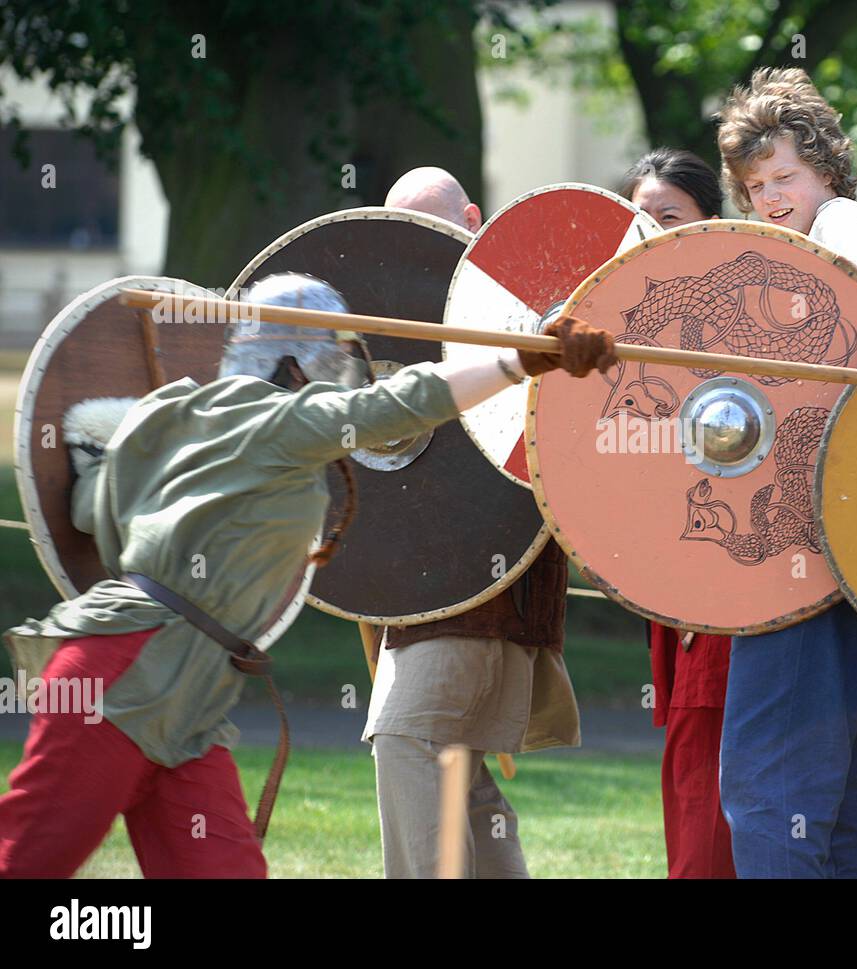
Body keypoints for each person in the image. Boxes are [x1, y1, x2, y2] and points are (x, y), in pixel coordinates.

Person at [0, 272, 615, 878]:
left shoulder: (168, 411)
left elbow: (89, 508)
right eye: (331, 359)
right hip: (123, 677)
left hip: (188, 695)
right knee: (29, 859)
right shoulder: (283, 423)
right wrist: (524, 359)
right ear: (296, 363)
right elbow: (402, 403)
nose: (336, 377)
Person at [713, 67, 857, 878]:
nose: (768, 196)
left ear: (827, 168)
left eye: (784, 175)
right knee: (827, 794)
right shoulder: (818, 237)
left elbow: (855, 367)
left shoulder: (846, 231)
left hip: (813, 539)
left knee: (766, 784)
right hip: (839, 540)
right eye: (755, 183)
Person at [362, 167, 581, 879]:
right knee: (461, 773)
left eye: (428, 223)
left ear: (473, 216)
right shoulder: (392, 319)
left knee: (406, 737)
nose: (414, 244)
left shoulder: (520, 311)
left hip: (487, 590)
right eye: (400, 230)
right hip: (426, 594)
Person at [619, 148, 735, 879]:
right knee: (692, 767)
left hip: (729, 574)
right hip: (673, 582)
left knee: (710, 768)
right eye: (638, 218)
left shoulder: (733, 317)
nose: (651, 232)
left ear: (709, 223)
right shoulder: (630, 321)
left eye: (669, 217)